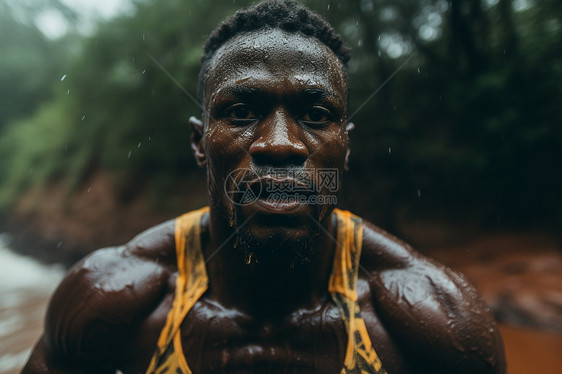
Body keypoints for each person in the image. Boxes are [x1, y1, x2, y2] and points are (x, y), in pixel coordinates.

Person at [23, 1, 506, 373]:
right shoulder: (111, 302)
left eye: (316, 116)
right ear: (199, 143)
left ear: (345, 147)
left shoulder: (434, 321)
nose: (280, 145)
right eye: (241, 112)